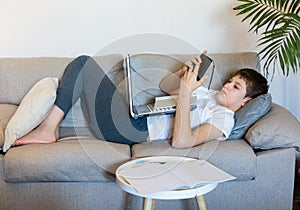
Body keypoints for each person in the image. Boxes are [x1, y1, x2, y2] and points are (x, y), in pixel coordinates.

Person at [12, 53, 269, 149]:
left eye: (235, 87)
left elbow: (181, 142)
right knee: (83, 63)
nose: (226, 85)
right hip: (136, 118)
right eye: (230, 80)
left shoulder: (224, 118)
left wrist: (188, 93)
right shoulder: (211, 94)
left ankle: (48, 130)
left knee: (83, 64)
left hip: (134, 132)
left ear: (246, 102)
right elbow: (165, 88)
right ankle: (49, 129)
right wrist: (183, 77)